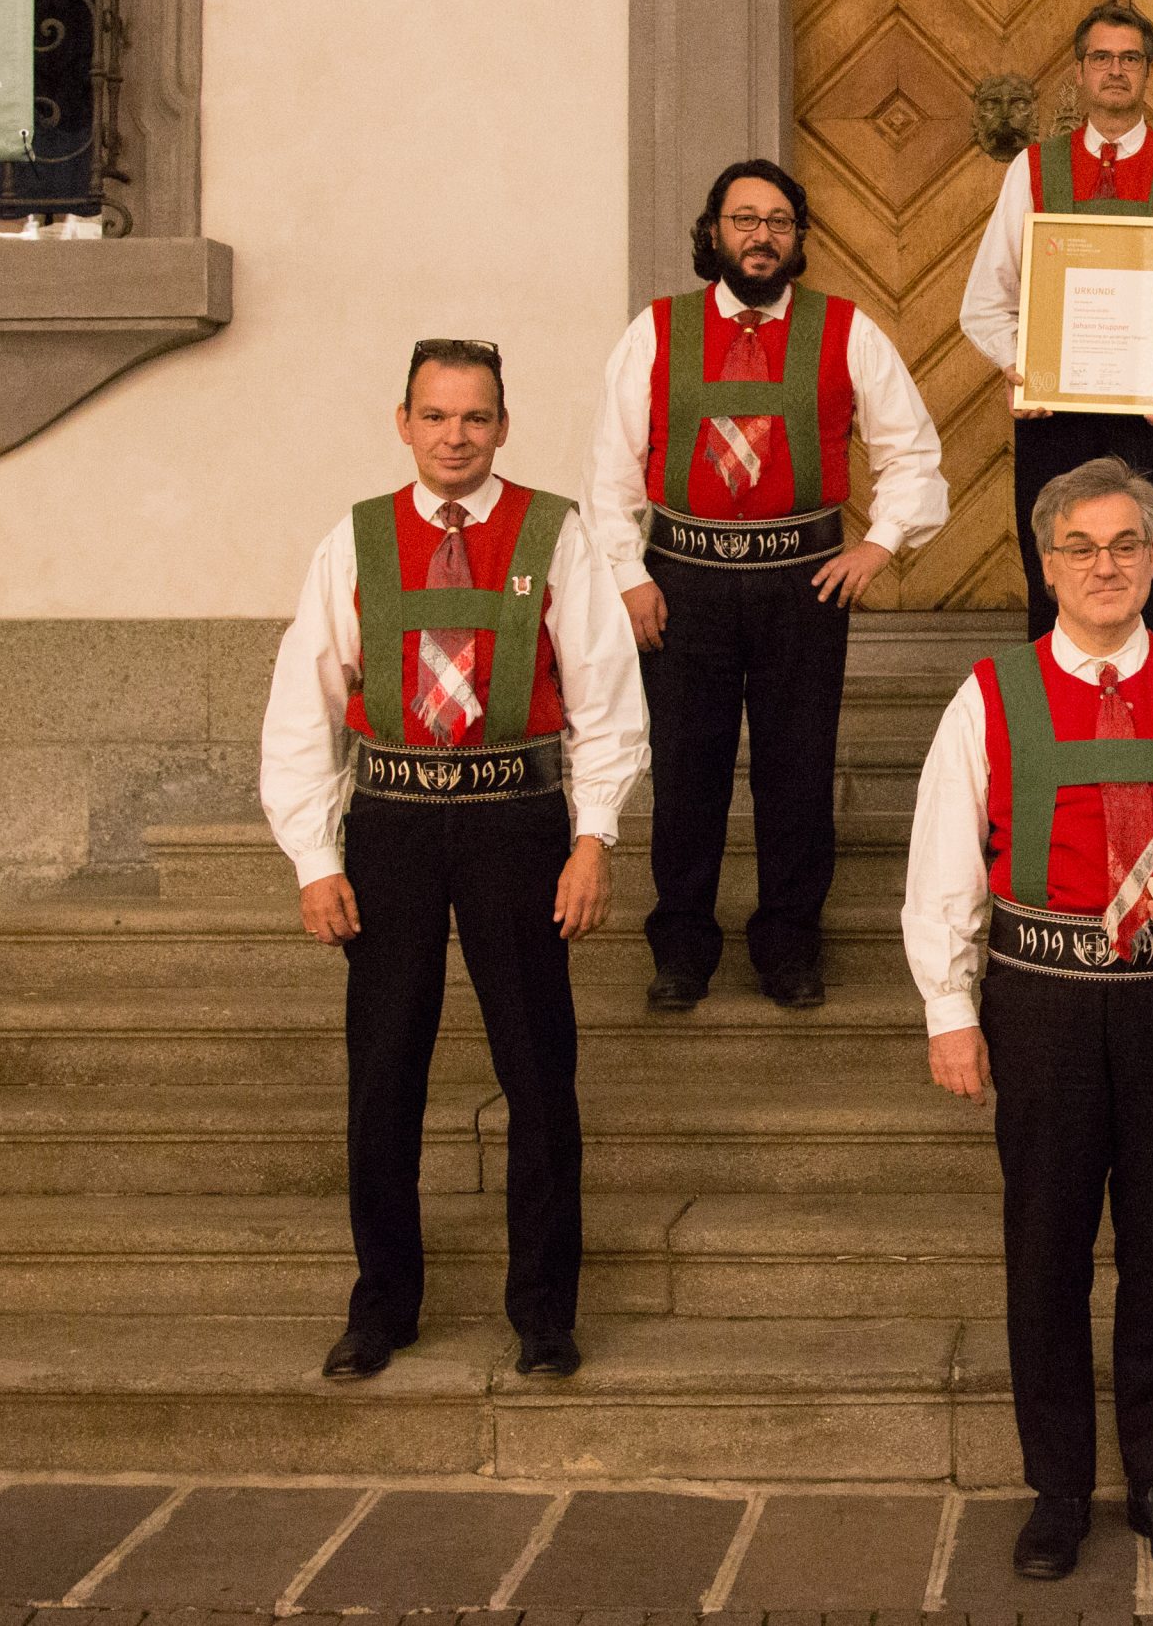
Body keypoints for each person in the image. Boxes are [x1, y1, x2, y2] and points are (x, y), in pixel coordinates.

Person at [902, 458, 1153, 1580]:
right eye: (1081, 547)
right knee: (1041, 1251)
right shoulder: (988, 695)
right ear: (1045, 567)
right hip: (1036, 1003)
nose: (1105, 565)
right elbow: (942, 865)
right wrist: (951, 1010)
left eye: (1125, 544)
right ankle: (1056, 1489)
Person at [260, 339, 649, 1382]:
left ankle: (544, 1314)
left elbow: (609, 700)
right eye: (436, 417)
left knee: (538, 1072)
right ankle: (382, 1305)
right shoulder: (355, 541)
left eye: (475, 418)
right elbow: (304, 705)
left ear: (503, 427)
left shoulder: (555, 535)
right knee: (384, 1072)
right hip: (387, 827)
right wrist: (311, 856)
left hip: (516, 825)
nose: (455, 437)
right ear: (404, 422)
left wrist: (593, 839)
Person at [584, 158, 948, 1013]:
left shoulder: (848, 331)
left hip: (803, 586)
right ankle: (681, 946)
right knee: (686, 771)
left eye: (779, 221)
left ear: (799, 239)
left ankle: (789, 946)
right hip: (684, 584)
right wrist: (629, 577)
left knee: (796, 769)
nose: (761, 235)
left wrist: (880, 544)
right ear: (713, 232)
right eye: (745, 219)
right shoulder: (656, 331)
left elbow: (913, 453)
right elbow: (610, 471)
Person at [958, 0, 1153, 642]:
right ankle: (1052, 732)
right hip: (1052, 410)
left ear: (1149, 71)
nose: (1116, 70)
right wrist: (1017, 367)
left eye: (1130, 58)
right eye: (1102, 58)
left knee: (1149, 574)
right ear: (1080, 71)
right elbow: (984, 300)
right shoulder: (1031, 168)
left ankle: (1146, 730)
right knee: (1053, 575)